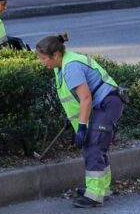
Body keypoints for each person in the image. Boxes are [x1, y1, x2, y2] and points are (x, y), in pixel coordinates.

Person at [36, 33, 125, 209]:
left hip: (107, 103)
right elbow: (72, 97)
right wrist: (71, 118)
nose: (42, 62)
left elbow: (85, 98)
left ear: (55, 55)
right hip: (102, 104)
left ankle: (94, 196)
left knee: (94, 145)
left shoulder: (71, 67)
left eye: (43, 58)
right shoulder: (60, 65)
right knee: (96, 146)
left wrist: (82, 127)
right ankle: (101, 189)